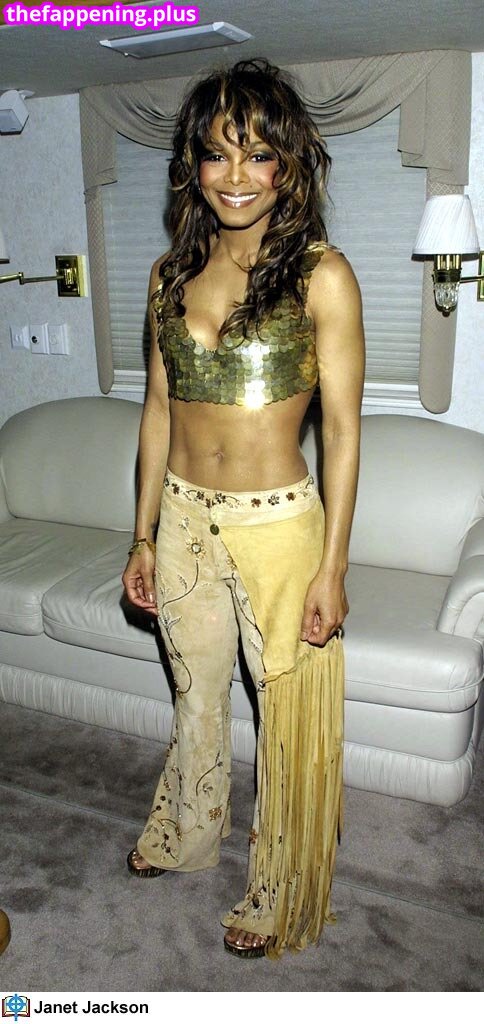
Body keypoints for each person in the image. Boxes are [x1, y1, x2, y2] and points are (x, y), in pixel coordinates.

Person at [122, 58, 365, 960]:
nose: (236, 176)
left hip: (279, 528)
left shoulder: (322, 276)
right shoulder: (167, 274)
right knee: (194, 695)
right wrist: (142, 534)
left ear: (288, 166)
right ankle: (189, 833)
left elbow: (343, 434)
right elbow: (157, 411)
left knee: (285, 715)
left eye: (257, 154)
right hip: (183, 517)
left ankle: (278, 883)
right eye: (218, 154)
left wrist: (333, 569)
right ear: (192, 164)